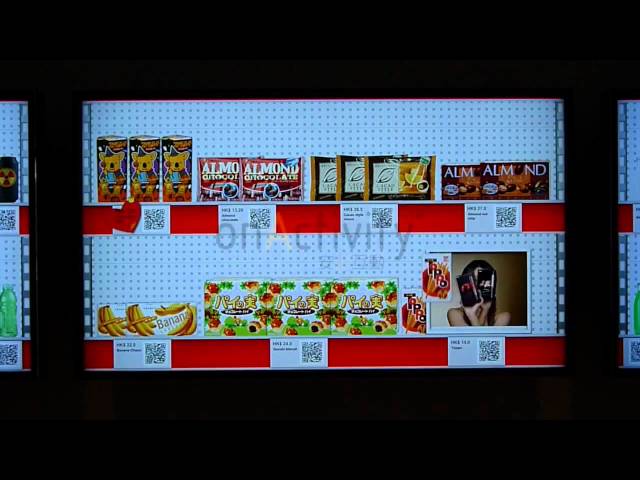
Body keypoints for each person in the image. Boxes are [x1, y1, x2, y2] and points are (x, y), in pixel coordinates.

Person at [447, 260, 511, 327]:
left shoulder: (503, 317)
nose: (478, 287)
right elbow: (471, 334)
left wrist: (485, 310)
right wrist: (471, 314)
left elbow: (485, 334)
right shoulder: (454, 314)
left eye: (482, 281)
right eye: (474, 280)